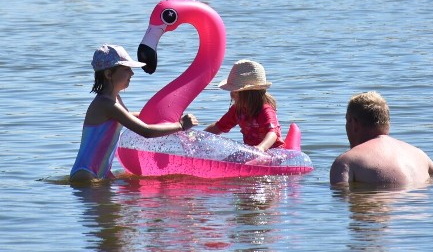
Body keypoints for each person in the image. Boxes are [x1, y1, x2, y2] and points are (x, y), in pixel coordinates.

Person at [70, 44, 198, 182]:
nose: (132, 73)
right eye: (126, 69)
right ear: (108, 74)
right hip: (85, 175)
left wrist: (166, 118)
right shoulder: (106, 104)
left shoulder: (115, 100)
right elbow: (146, 131)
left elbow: (132, 117)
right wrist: (180, 125)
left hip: (100, 173)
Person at [330, 91, 433, 186]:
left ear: (353, 123)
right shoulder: (419, 155)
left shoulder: (347, 161)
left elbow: (341, 196)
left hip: (373, 210)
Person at [204, 59, 284, 153]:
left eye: (235, 91)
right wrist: (200, 137)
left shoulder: (264, 110)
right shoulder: (237, 110)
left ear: (247, 93)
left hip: (273, 153)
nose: (231, 94)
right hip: (252, 152)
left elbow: (273, 132)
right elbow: (219, 127)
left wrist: (261, 148)